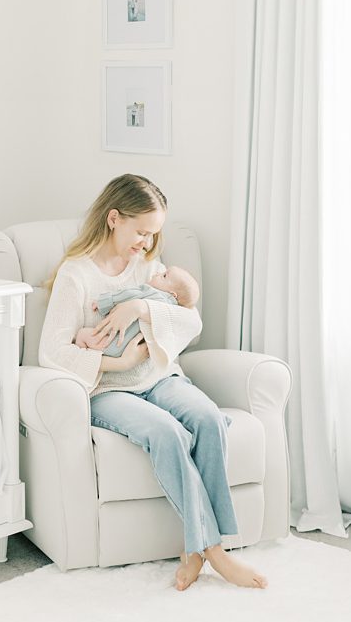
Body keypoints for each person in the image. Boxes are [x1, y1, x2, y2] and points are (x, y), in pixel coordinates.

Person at [40, 174, 267, 592]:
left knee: (208, 419)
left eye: (153, 234)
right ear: (114, 219)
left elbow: (191, 320)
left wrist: (139, 306)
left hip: (159, 377)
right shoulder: (77, 276)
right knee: (166, 433)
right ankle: (214, 550)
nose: (146, 243)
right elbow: (51, 351)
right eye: (141, 231)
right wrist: (116, 361)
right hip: (111, 390)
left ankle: (199, 549)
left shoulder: (149, 269)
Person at [74, 265, 200, 357]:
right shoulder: (172, 312)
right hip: (135, 350)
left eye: (164, 276)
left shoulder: (151, 292)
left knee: (82, 335)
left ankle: (85, 363)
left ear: (172, 294)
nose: (157, 273)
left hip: (114, 344)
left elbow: (127, 294)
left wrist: (104, 302)